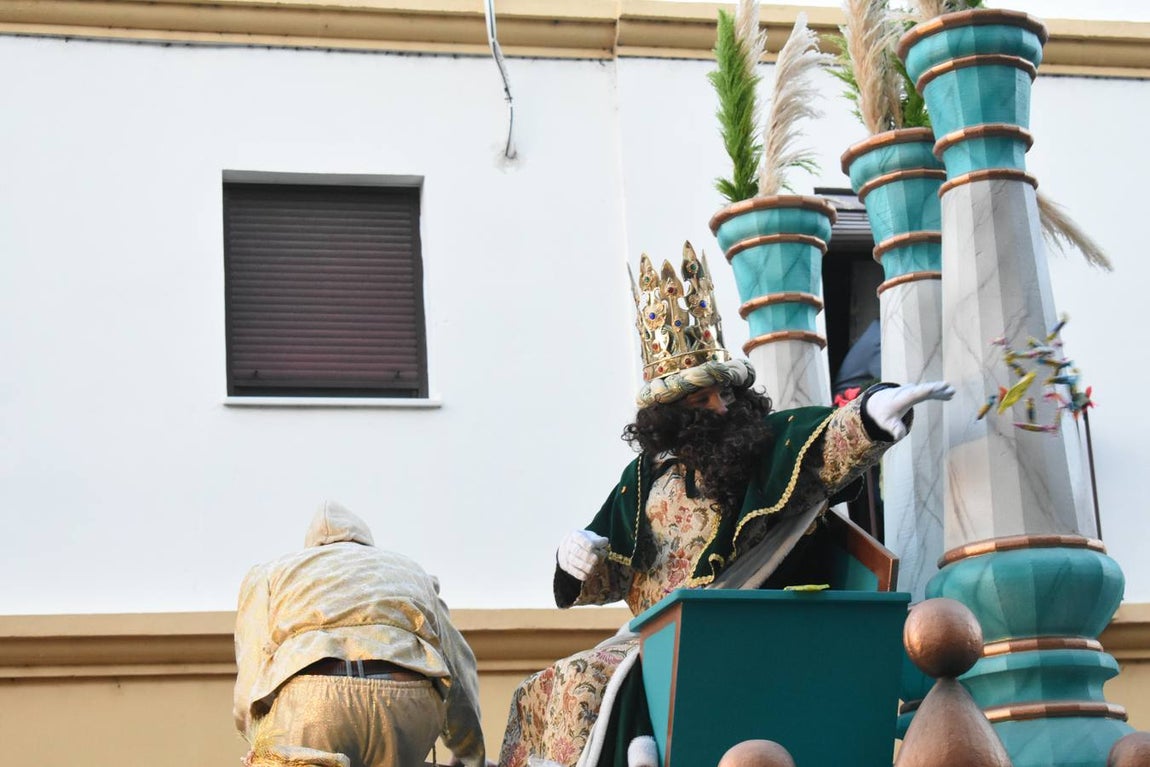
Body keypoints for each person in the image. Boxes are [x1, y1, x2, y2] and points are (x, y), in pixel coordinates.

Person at [497, 244, 953, 767]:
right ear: (668, 417)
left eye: (724, 395)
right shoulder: (642, 480)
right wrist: (574, 555)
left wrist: (872, 413)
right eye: (700, 401)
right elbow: (607, 570)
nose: (718, 407)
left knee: (585, 679)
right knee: (538, 688)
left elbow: (820, 444)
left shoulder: (763, 452)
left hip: (724, 631)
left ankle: (642, 747)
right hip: (649, 640)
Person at [233, 501, 489, 767]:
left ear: (312, 550)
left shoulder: (273, 572)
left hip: (313, 703)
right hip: (406, 703)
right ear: (367, 545)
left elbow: (252, 666)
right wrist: (470, 754)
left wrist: (257, 738)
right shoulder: (410, 572)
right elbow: (457, 667)